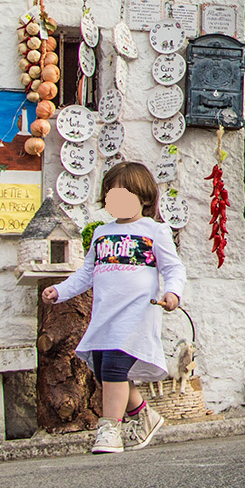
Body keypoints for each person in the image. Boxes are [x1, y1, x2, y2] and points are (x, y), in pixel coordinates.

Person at [42, 161, 186, 454]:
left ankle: (110, 430)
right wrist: (59, 291)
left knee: (116, 368)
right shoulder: (101, 233)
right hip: (105, 316)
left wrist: (173, 294)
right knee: (105, 370)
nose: (116, 200)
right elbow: (86, 274)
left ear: (144, 198)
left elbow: (174, 269)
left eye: (125, 194)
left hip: (136, 314)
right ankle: (145, 416)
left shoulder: (155, 231)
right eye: (111, 194)